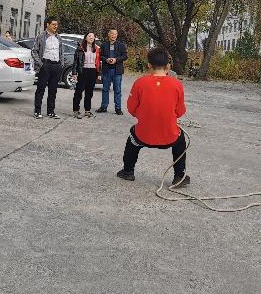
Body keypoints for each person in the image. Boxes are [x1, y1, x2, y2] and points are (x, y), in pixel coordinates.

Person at [116, 47, 189, 188]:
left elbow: (131, 108)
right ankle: (179, 176)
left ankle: (128, 171)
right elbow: (180, 112)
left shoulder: (140, 82)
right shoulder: (177, 84)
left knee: (132, 140)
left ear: (149, 65)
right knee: (180, 141)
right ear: (168, 66)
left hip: (143, 135)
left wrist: (144, 115)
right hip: (169, 136)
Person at [31, 15, 64, 119]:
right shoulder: (41, 36)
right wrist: (41, 64)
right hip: (45, 65)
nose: (56, 26)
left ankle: (51, 111)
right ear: (47, 25)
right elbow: (34, 51)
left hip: (56, 66)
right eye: (53, 24)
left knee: (53, 90)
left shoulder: (58, 37)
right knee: (40, 89)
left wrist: (61, 64)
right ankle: (37, 111)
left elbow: (61, 52)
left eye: (56, 24)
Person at [97, 28, 128, 115]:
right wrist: (106, 59)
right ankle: (104, 107)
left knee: (117, 90)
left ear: (117, 35)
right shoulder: (104, 45)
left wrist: (116, 59)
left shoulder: (121, 45)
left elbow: (125, 56)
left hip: (117, 71)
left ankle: (118, 108)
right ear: (109, 34)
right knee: (105, 89)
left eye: (115, 34)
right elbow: (100, 56)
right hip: (107, 70)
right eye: (112, 34)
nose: (114, 35)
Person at [72, 32, 100, 118]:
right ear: (86, 38)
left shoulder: (97, 48)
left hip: (93, 71)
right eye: (89, 36)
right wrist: (74, 73)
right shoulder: (80, 48)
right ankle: (76, 110)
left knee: (89, 92)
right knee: (79, 91)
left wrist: (99, 73)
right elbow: (75, 62)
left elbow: (99, 62)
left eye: (93, 36)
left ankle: (87, 110)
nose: (91, 37)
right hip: (83, 71)